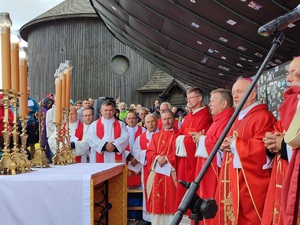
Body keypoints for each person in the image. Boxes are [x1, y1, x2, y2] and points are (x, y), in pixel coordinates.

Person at [214, 77, 276, 225]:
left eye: (239, 92)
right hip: (233, 180)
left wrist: (235, 145)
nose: (234, 96)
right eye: (233, 92)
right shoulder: (236, 118)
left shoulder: (263, 117)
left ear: (253, 94)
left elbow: (263, 148)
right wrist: (224, 147)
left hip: (250, 184)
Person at [261, 57, 300, 225]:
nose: (288, 79)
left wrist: (283, 145)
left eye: (294, 73)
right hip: (284, 175)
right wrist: (270, 142)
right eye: (288, 73)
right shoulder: (291, 103)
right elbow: (279, 129)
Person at [190, 88, 234, 225]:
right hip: (207, 171)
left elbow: (222, 144)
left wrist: (202, 139)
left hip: (215, 174)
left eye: (213, 101)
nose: (209, 104)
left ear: (224, 103)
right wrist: (202, 138)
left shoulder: (227, 119)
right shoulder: (218, 119)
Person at [175, 87, 212, 210]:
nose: (188, 101)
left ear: (200, 98)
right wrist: (183, 139)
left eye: (191, 98)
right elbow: (179, 134)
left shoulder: (206, 115)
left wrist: (183, 140)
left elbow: (200, 138)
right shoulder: (188, 116)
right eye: (188, 98)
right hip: (184, 159)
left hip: (195, 159)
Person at [146, 109, 178, 225]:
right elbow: (149, 152)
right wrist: (157, 157)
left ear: (174, 120)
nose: (167, 121)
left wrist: (168, 158)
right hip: (158, 175)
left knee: (172, 203)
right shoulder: (156, 136)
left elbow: (180, 153)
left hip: (172, 175)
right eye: (164, 119)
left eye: (169, 118)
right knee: (157, 204)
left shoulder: (179, 135)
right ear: (161, 121)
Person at [132, 114, 159, 224]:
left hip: (160, 169)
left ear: (156, 122)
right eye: (148, 122)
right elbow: (136, 151)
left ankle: (159, 217)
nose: (151, 124)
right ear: (145, 124)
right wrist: (149, 154)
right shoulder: (141, 138)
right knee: (148, 191)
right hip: (147, 169)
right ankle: (149, 218)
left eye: (153, 121)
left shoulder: (162, 134)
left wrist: (151, 155)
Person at [26, 87, 40, 159]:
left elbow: (38, 110)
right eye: (26, 91)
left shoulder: (32, 100)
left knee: (32, 142)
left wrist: (31, 111)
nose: (28, 92)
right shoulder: (18, 100)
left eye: (29, 91)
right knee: (21, 143)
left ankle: (33, 158)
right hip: (21, 124)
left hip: (31, 123)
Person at [41, 97, 54, 162]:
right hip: (44, 128)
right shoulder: (43, 109)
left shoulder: (51, 110)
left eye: (51, 103)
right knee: (43, 143)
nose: (49, 104)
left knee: (50, 144)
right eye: (48, 103)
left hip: (49, 130)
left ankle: (50, 158)